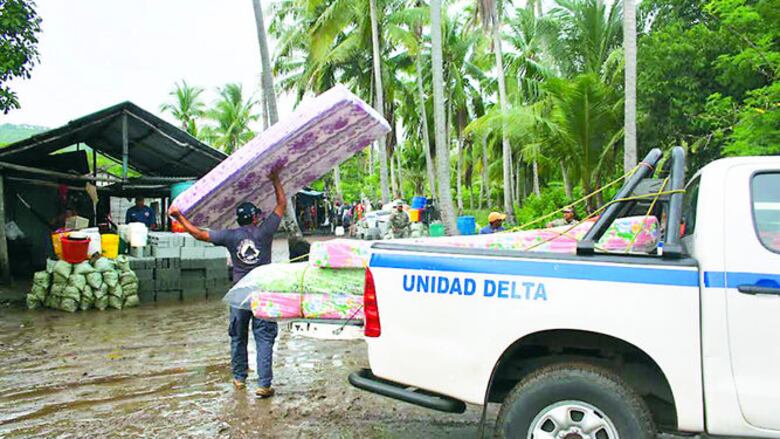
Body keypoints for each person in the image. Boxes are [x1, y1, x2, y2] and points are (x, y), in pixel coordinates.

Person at [168, 166, 286, 399]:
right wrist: (275, 179)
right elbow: (281, 204)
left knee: (238, 336)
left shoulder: (230, 236)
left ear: (239, 220)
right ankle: (264, 384)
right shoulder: (265, 232)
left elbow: (199, 234)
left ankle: (240, 379)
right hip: (262, 293)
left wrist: (179, 216)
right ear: (255, 218)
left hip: (239, 294)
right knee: (264, 337)